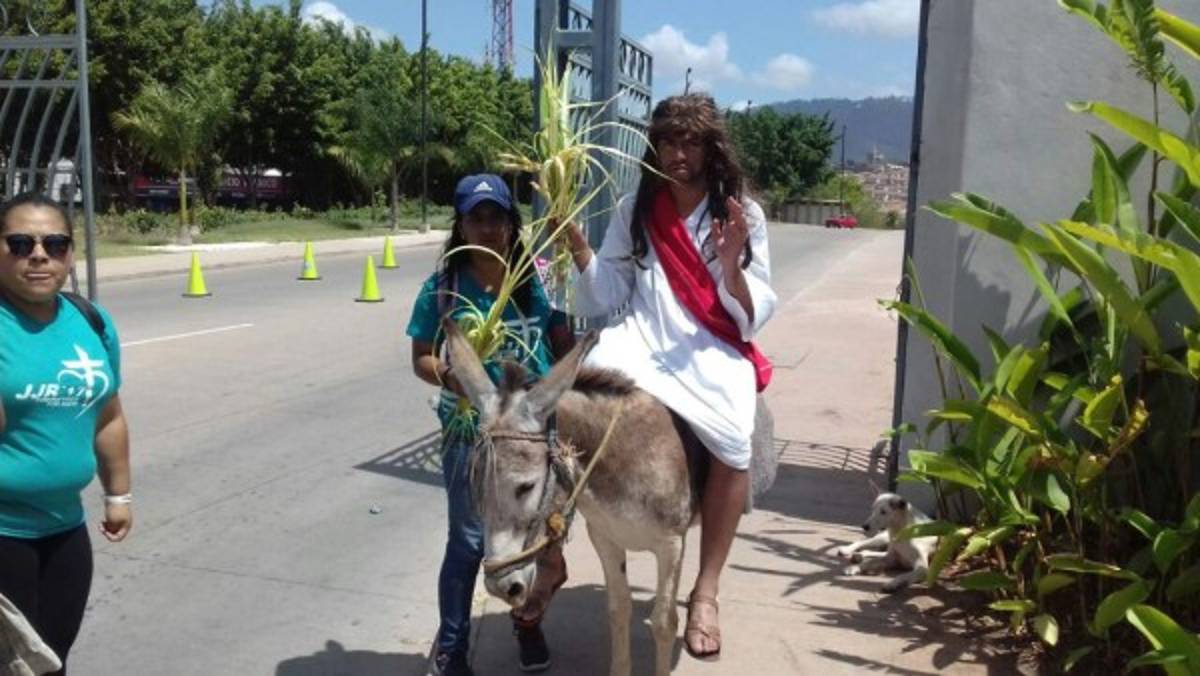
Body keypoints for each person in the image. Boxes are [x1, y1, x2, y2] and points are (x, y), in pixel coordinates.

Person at [563, 94, 776, 661]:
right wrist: (583, 253)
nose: (679, 153)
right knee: (569, 403)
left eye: (691, 142)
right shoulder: (636, 206)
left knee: (733, 435)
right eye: (669, 141)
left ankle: (705, 592)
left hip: (708, 344)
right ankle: (548, 547)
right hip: (640, 336)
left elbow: (756, 310)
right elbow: (607, 294)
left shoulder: (742, 214)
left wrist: (731, 267)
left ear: (711, 149)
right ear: (655, 146)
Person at [407, 174, 573, 676]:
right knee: (469, 541)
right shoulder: (441, 288)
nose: (487, 226)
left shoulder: (537, 276)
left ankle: (527, 625)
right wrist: (452, 378)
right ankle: (452, 650)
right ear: (459, 224)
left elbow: (560, 339)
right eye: (475, 217)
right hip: (469, 435)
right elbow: (420, 359)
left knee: (540, 538)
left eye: (496, 216)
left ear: (509, 222)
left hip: (534, 433)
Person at [0, 192, 133, 674]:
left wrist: (120, 495)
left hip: (64, 531)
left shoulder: (90, 321)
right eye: (20, 243)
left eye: (55, 244)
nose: (39, 254)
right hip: (3, 533)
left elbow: (109, 414)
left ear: (70, 254)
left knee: (52, 660)